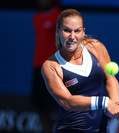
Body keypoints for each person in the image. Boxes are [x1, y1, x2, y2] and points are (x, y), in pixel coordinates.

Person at [41, 9, 119, 133]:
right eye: (67, 30)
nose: (72, 37)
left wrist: (117, 104)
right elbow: (67, 102)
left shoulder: (96, 47)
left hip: (101, 128)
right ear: (58, 31)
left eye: (77, 31)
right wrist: (104, 102)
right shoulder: (51, 66)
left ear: (83, 32)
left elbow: (110, 78)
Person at [31, 0, 61, 132]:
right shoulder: (36, 18)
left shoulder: (59, 17)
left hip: (52, 68)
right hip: (37, 67)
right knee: (40, 107)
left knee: (54, 108)